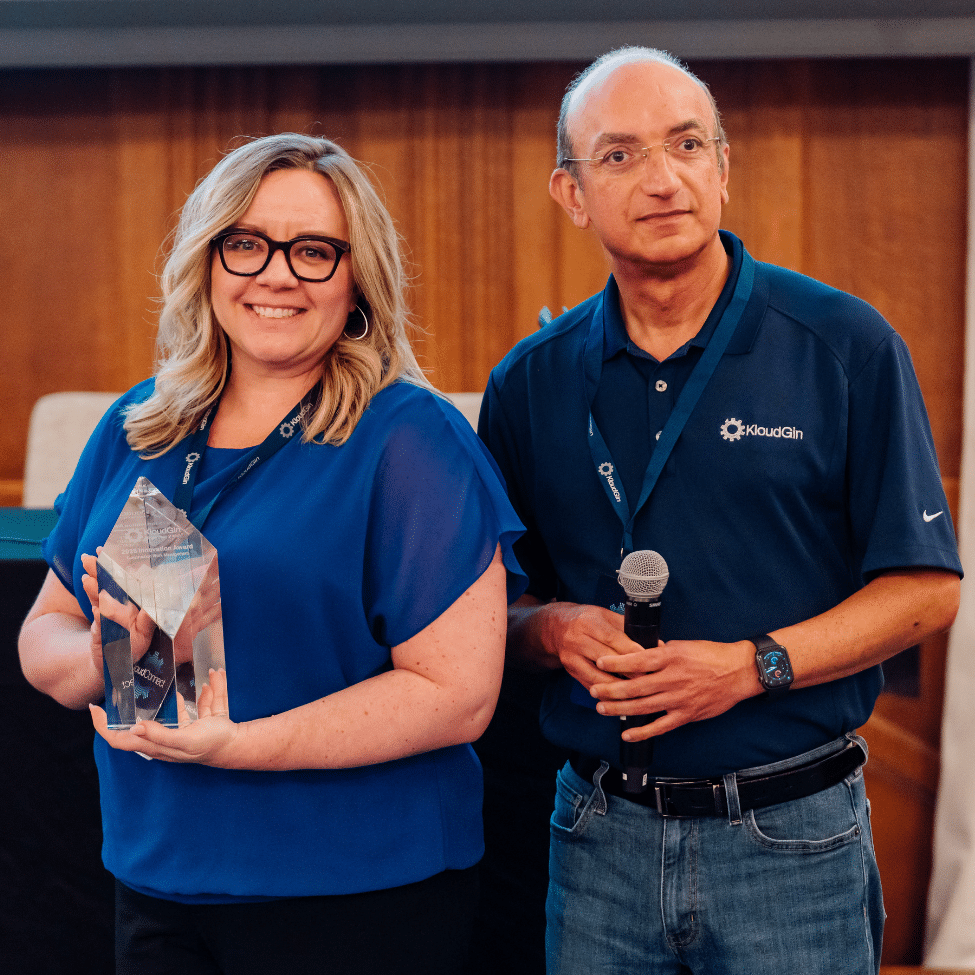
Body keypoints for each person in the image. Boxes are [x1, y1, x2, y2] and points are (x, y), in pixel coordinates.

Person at [477, 47, 963, 975]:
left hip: (791, 834)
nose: (661, 178)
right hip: (598, 833)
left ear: (723, 167)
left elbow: (924, 589)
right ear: (571, 193)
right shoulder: (529, 383)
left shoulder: (843, 346)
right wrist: (554, 629)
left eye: (686, 144)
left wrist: (750, 667)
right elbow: (490, 610)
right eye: (619, 155)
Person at [18, 133, 526, 975]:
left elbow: (455, 696)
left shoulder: (410, 440)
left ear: (357, 278)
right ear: (207, 259)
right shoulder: (140, 425)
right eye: (246, 244)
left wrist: (237, 744)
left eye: (313, 251)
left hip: (353, 894)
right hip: (158, 879)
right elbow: (45, 630)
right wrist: (104, 657)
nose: (276, 275)